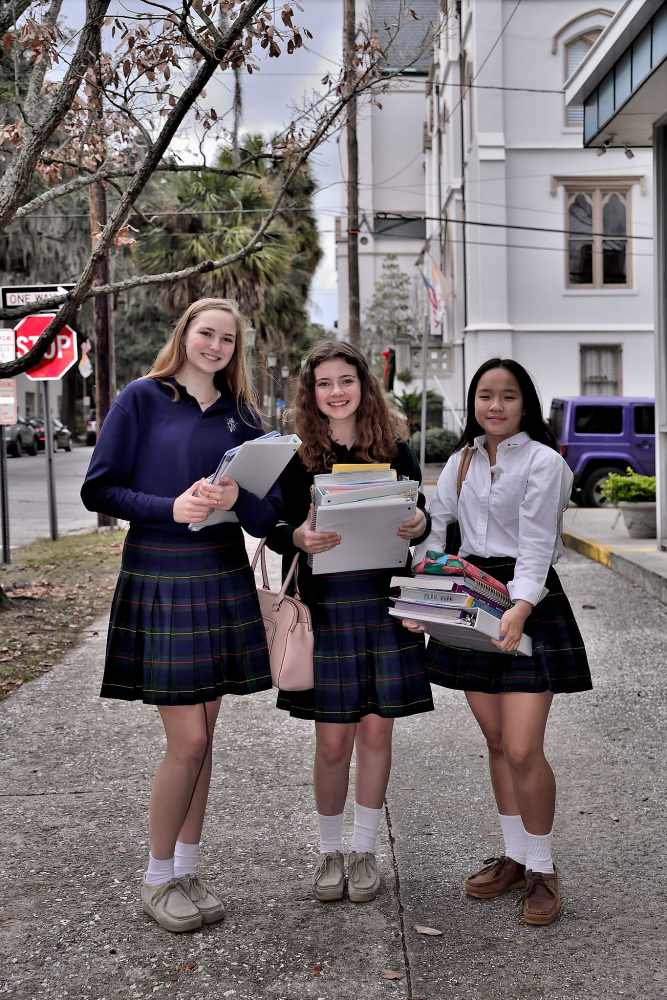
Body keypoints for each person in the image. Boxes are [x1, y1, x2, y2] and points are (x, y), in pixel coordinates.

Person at [81, 298, 281, 933]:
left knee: (206, 738)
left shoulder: (242, 417)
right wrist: (171, 507)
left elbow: (263, 518)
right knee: (188, 740)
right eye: (206, 333)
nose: (215, 346)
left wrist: (240, 494)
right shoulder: (141, 398)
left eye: (227, 339)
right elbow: (99, 488)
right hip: (160, 574)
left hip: (220, 575)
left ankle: (186, 869)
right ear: (185, 334)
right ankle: (156, 875)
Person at [404, 358, 592, 926]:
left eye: (507, 396)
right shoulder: (459, 462)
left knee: (522, 747)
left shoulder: (543, 462)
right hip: (468, 597)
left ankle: (542, 867)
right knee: (494, 742)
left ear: (525, 403)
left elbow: (537, 545)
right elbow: (435, 532)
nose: (495, 406)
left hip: (526, 601)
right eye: (485, 395)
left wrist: (521, 607)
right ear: (473, 403)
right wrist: (421, 596)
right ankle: (513, 856)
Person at [266, 340, 433, 905]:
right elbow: (274, 526)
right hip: (328, 609)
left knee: (377, 732)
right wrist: (298, 536)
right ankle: (330, 850)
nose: (336, 392)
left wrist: (418, 522)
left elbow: (420, 517)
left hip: (383, 603)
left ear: (363, 384)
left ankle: (366, 851)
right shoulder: (299, 456)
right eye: (324, 384)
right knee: (333, 741)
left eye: (346, 380)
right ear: (311, 394)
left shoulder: (395, 446)